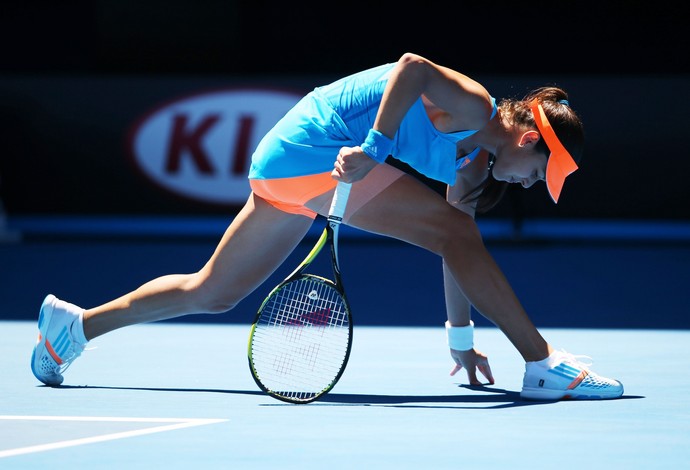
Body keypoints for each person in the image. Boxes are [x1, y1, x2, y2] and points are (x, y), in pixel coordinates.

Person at [31, 52, 623, 401]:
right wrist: (375, 145)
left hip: (302, 168)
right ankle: (542, 364)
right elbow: (412, 68)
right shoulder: (473, 104)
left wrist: (461, 341)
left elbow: (456, 252)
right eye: (537, 172)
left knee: (211, 292)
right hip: (310, 147)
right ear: (527, 139)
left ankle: (74, 329)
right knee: (456, 230)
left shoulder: (471, 172)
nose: (528, 185)